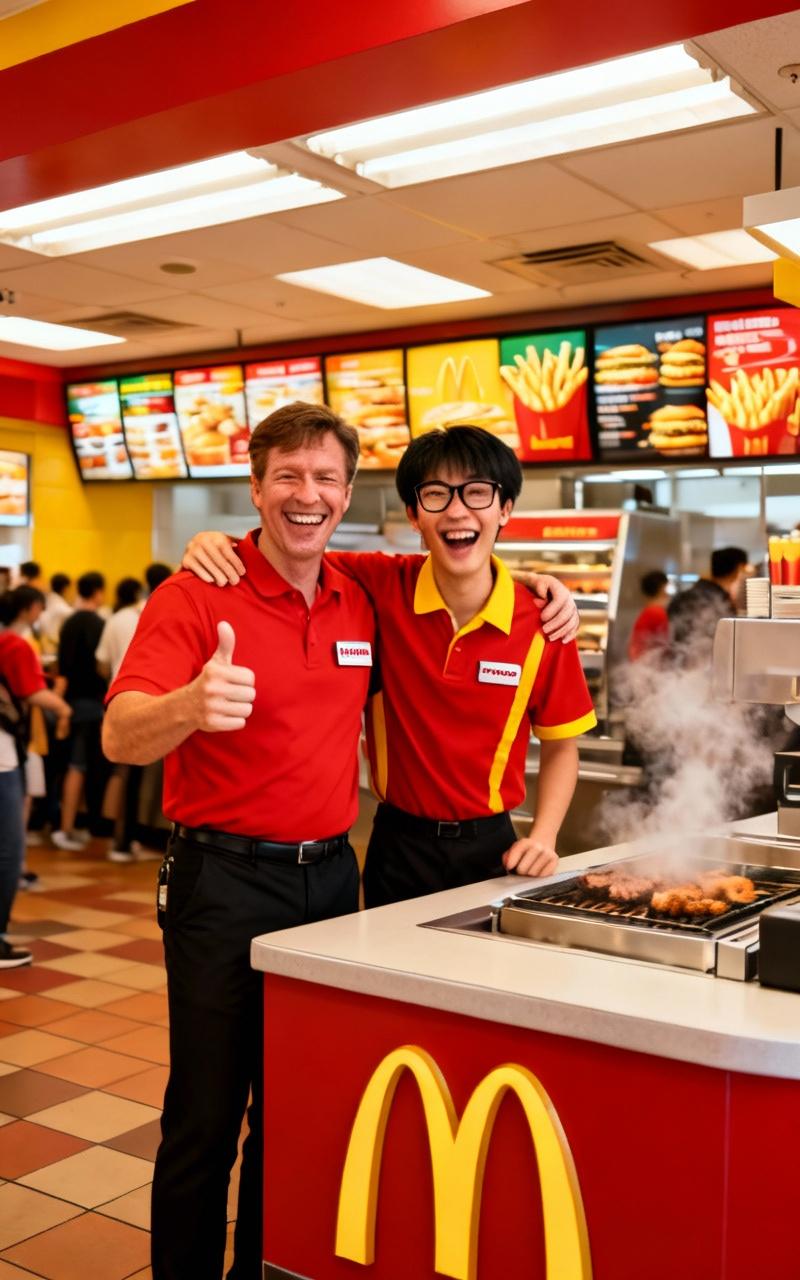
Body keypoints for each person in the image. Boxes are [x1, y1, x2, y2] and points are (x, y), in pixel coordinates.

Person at [102, 405, 377, 1280]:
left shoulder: (360, 594)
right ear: (255, 489)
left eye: (326, 478)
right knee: (206, 1115)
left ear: (347, 493)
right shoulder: (194, 595)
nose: (308, 495)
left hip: (331, 885)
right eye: (288, 476)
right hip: (220, 882)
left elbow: (461, 557)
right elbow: (119, 736)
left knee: (293, 1115)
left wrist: (542, 591)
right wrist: (189, 706)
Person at [184, 424, 593, 908]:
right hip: (397, 844)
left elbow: (562, 747)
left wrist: (543, 837)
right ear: (415, 515)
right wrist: (216, 541)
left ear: (505, 508)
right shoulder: (378, 586)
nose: (457, 510)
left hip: (494, 849)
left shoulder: (544, 621)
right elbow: (290, 548)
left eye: (478, 493)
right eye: (436, 494)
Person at [0, 614, 71, 965]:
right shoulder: (11, 644)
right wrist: (63, 707)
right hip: (1, 755)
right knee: (9, 847)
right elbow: (31, 690)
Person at [98, 563, 172, 861]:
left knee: (121, 772)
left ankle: (118, 838)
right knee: (136, 778)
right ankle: (126, 841)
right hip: (148, 705)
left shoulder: (118, 618)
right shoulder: (160, 612)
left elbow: (101, 662)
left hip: (116, 700)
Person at [52, 571, 107, 850]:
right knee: (80, 765)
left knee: (73, 765)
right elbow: (102, 666)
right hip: (90, 703)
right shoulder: (98, 623)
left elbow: (63, 664)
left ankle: (68, 825)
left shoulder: (69, 621)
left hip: (70, 700)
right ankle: (66, 828)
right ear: (98, 592)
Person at [668, 546, 748, 668]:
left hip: (680, 671)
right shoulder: (717, 601)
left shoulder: (684, 596)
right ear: (739, 569)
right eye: (746, 571)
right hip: (704, 671)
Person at [628, 569, 670, 662]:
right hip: (649, 663)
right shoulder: (656, 612)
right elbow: (662, 644)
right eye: (667, 588)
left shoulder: (648, 611)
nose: (668, 593)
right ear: (661, 588)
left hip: (641, 662)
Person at [39, 572, 74, 656]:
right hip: (56, 649)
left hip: (43, 646)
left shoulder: (45, 603)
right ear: (65, 588)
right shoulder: (64, 610)